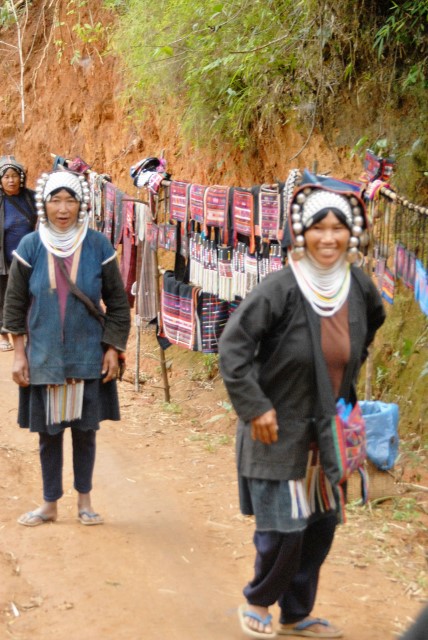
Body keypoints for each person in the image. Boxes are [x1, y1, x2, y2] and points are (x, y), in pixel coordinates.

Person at [219, 171, 386, 639]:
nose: (328, 238)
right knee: (284, 529)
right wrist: (255, 406)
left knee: (321, 525)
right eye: (318, 228)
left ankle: (297, 612)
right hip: (276, 430)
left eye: (337, 228)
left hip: (330, 429)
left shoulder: (358, 286)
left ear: (350, 233)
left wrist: (345, 379)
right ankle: (258, 600)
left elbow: (370, 325)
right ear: (301, 233)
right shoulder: (280, 289)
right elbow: (233, 348)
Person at [3, 170, 130, 527]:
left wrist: (111, 348)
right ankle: (49, 504)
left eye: (70, 200)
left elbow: (117, 305)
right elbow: (13, 306)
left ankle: (84, 502)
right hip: (44, 357)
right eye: (55, 200)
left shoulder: (98, 246)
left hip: (87, 355)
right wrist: (18, 353)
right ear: (44, 205)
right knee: (49, 434)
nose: (63, 208)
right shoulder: (30, 246)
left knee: (85, 432)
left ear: (81, 204)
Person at [0, 155, 37, 352]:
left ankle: (28, 332)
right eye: (6, 177)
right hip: (3, 260)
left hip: (29, 259)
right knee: (3, 297)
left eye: (14, 175)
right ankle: (3, 334)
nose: (11, 180)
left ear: (21, 177)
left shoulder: (31, 198)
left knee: (29, 295)